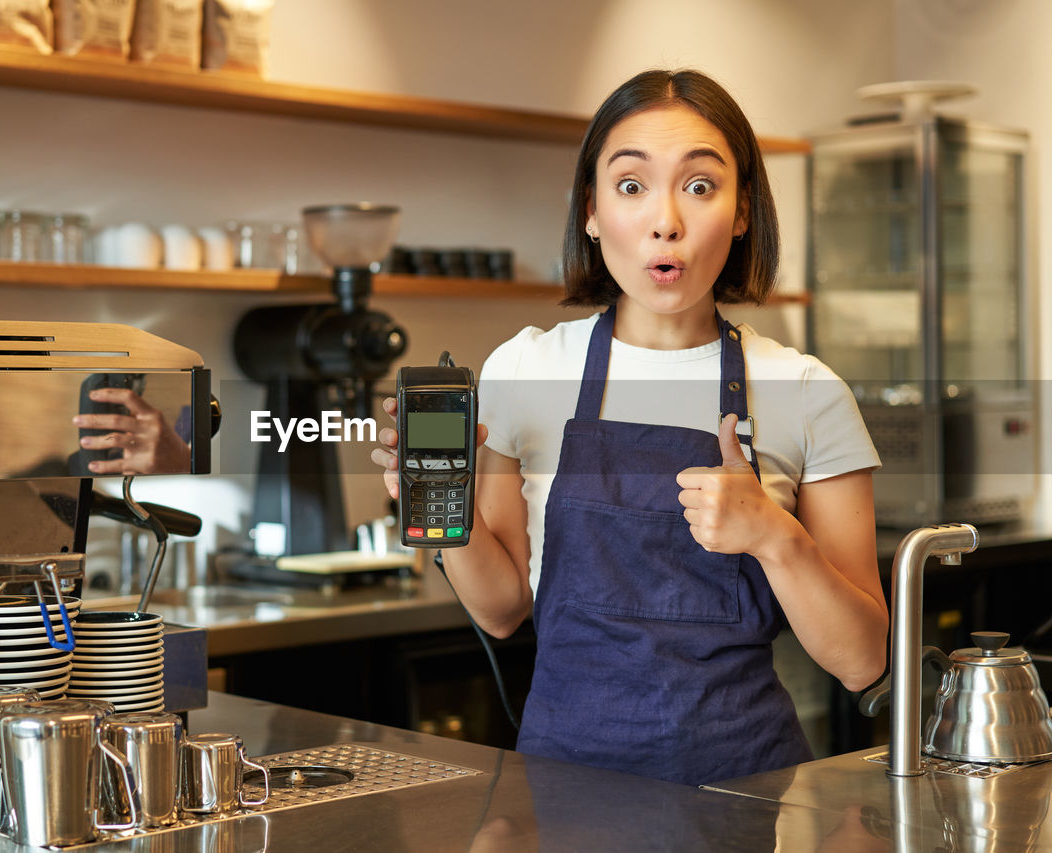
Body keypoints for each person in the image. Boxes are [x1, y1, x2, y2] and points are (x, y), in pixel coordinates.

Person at [371, 68, 888, 786]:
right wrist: (438, 509)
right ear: (590, 210)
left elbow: (861, 658)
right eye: (631, 185)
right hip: (565, 789)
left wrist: (774, 535)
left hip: (742, 791)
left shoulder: (807, 392)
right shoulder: (523, 367)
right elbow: (500, 608)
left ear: (742, 212)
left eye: (701, 186)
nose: (665, 220)